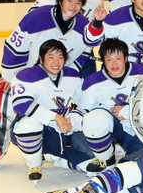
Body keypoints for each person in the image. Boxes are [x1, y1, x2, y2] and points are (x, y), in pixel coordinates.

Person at [10, 40, 92, 183]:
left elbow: (83, 104)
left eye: (60, 57)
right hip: (42, 131)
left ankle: (55, 158)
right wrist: (55, 117)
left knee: (92, 165)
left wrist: (71, 121)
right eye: (51, 57)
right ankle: (34, 164)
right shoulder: (25, 75)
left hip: (66, 131)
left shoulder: (74, 75)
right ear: (41, 59)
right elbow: (20, 104)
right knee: (28, 125)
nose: (56, 62)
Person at [71, 38, 143, 173]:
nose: (114, 63)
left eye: (118, 58)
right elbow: (83, 110)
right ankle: (107, 158)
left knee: (140, 166)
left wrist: (128, 110)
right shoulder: (92, 81)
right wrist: (69, 122)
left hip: (136, 126)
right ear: (103, 61)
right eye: (109, 59)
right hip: (109, 126)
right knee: (93, 120)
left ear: (126, 58)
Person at [1, 0, 92, 82]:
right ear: (60, 2)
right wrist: (10, 77)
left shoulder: (84, 27)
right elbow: (14, 48)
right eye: (70, 1)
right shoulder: (36, 17)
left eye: (78, 2)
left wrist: (67, 75)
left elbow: (85, 52)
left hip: (58, 81)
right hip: (27, 79)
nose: (74, 6)